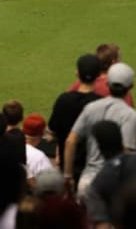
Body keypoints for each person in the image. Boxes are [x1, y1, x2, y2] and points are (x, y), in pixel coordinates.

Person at [64, 62, 136, 201]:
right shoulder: (129, 114)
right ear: (130, 87)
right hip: (112, 183)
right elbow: (126, 153)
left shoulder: (91, 107)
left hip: (87, 182)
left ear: (107, 83)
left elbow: (70, 141)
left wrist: (68, 176)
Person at [48, 54, 102, 184]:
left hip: (67, 168)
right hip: (93, 171)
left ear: (77, 73)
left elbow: (51, 131)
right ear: (99, 75)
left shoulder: (63, 100)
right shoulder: (102, 104)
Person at [68, 43, 133, 107]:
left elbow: (68, 100)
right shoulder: (118, 86)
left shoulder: (83, 82)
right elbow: (129, 112)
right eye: (119, 59)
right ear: (114, 62)